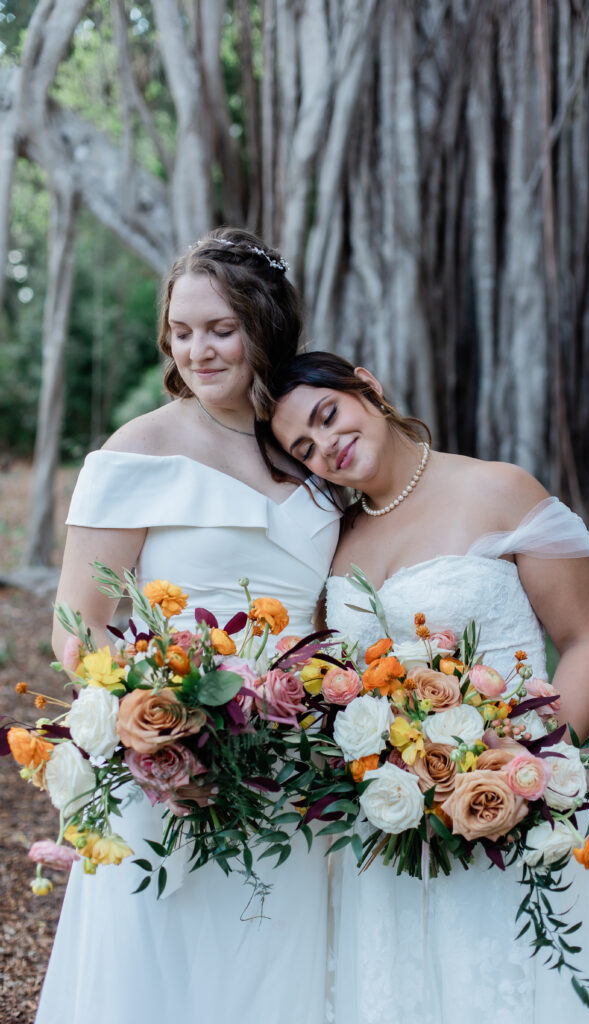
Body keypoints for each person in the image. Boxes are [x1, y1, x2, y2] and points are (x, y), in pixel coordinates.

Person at [260, 350, 589, 1024]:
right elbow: (340, 682)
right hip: (390, 820)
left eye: (328, 416)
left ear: (368, 387)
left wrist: (544, 769)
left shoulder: (498, 489)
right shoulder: (335, 539)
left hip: (512, 798)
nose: (326, 446)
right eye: (305, 447)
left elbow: (588, 640)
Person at [36, 231, 340, 1024]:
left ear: (265, 325)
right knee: (161, 963)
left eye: (220, 329)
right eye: (181, 330)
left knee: (270, 965)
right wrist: (173, 731)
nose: (197, 351)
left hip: (290, 765)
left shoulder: (308, 452)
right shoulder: (141, 446)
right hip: (169, 764)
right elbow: (78, 626)